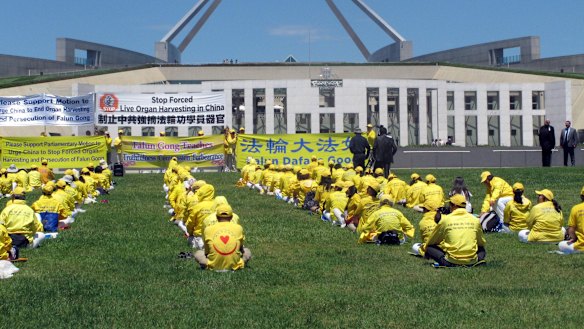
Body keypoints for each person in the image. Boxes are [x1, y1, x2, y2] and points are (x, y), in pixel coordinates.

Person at [423, 194, 487, 267]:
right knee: (481, 248)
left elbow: (432, 241)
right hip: (471, 261)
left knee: (429, 247)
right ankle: (474, 260)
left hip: (450, 262)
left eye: (450, 204)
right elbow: (481, 242)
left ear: (453, 205)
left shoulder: (445, 220)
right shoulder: (475, 220)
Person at [194, 204, 251, 271]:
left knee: (198, 253)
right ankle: (240, 264)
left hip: (213, 266)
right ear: (231, 217)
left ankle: (207, 266)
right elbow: (241, 249)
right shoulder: (239, 228)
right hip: (234, 266)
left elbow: (207, 253)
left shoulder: (208, 229)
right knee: (247, 251)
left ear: (217, 217)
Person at [559, 186, 584, 254]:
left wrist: (574, 238)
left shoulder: (576, 208)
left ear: (581, 196)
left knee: (561, 244)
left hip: (581, 246)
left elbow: (571, 229)